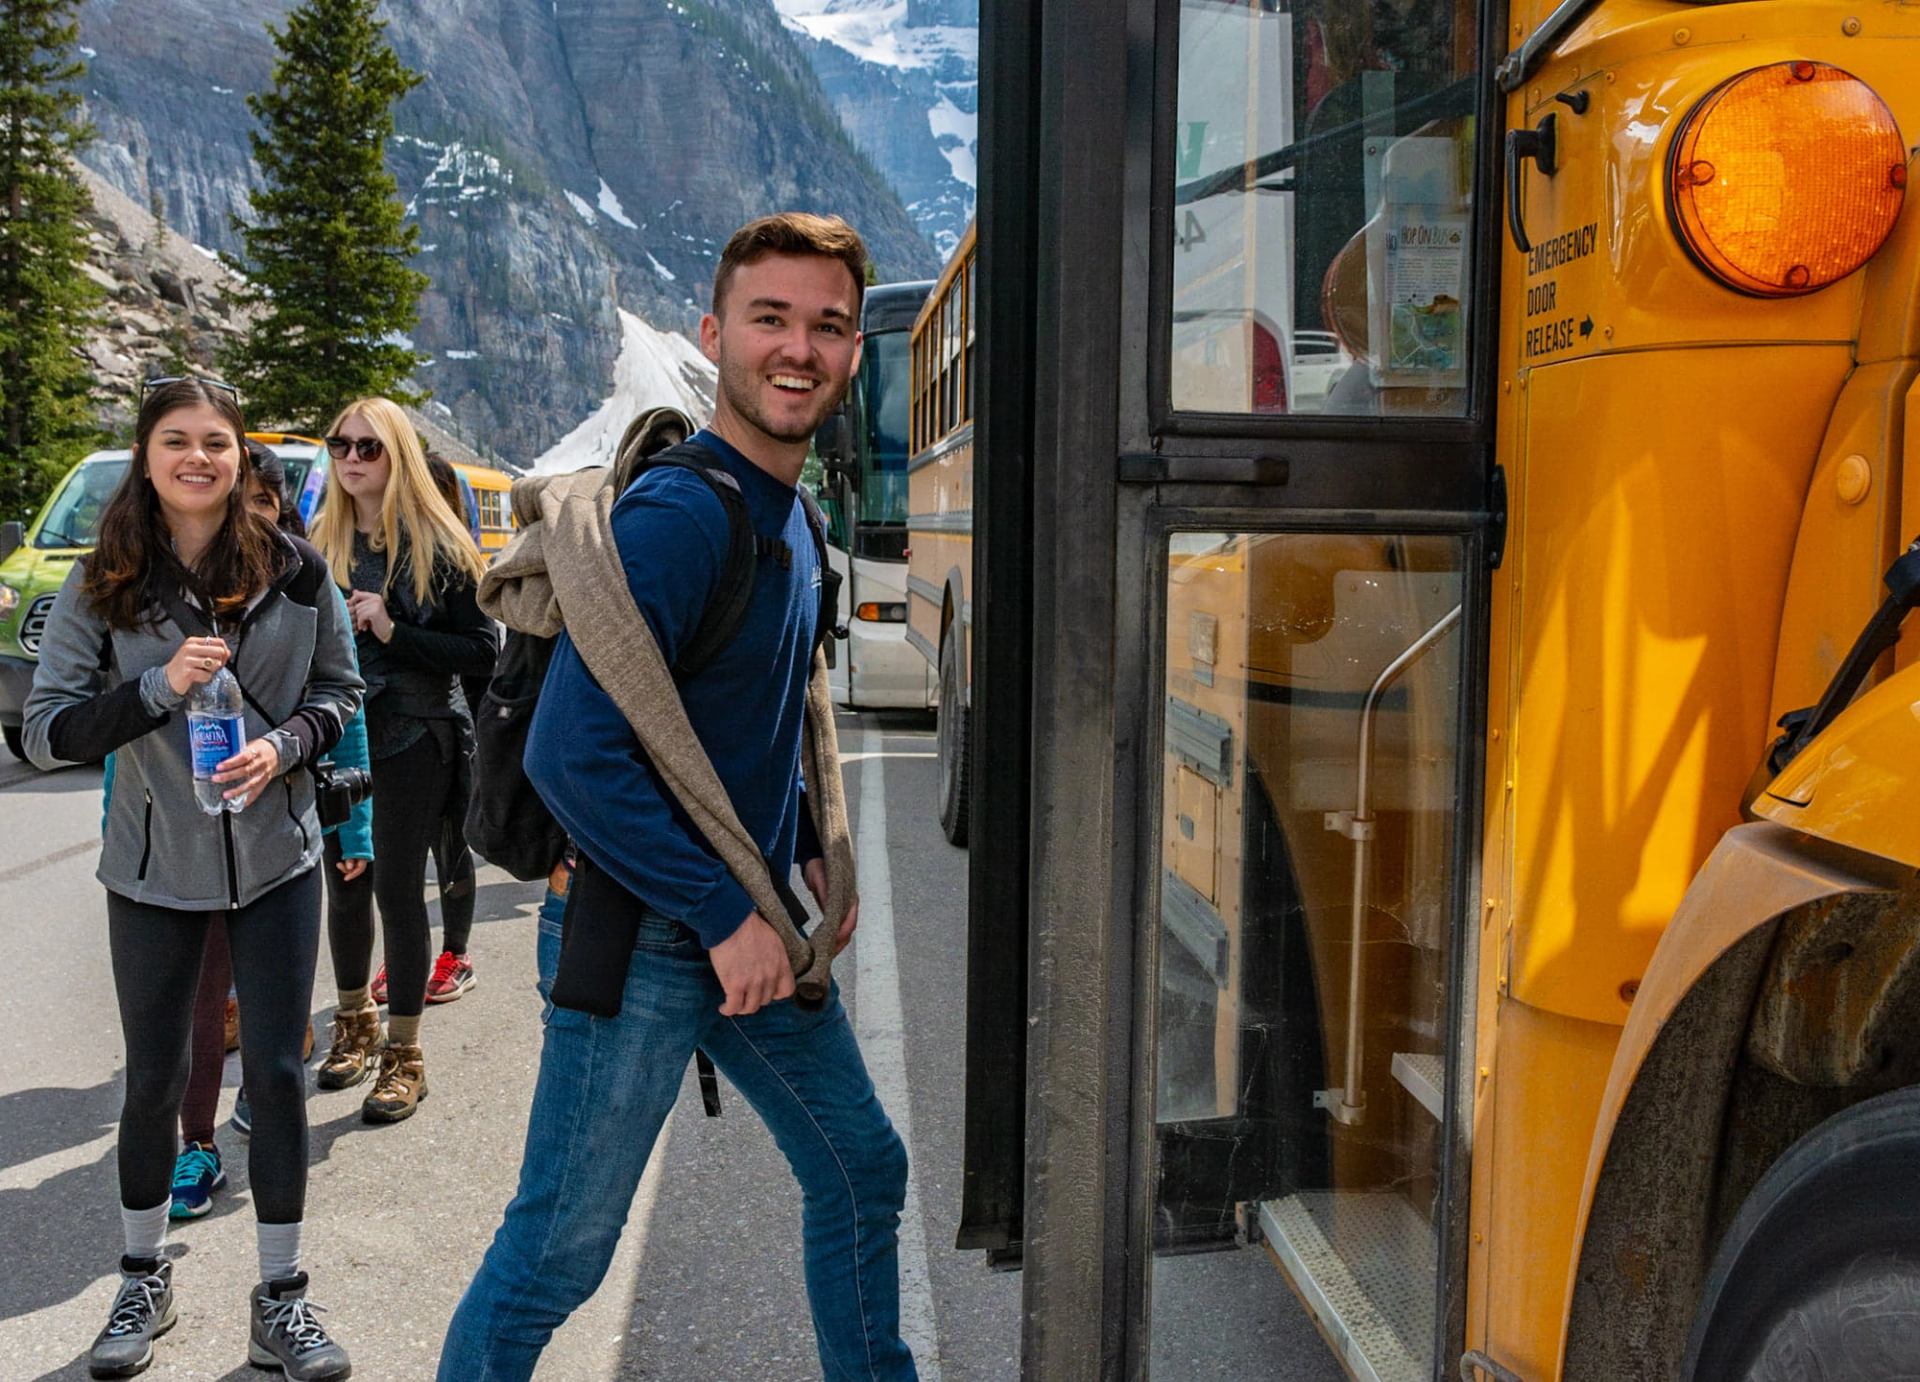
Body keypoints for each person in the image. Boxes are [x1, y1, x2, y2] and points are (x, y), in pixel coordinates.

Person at [439, 214, 913, 1381]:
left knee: (862, 1167)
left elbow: (747, 720)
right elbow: (575, 752)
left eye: (827, 325)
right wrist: (721, 910)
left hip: (740, 917)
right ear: (715, 335)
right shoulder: (688, 514)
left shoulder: (792, 518)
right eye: (771, 319)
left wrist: (805, 851)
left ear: (852, 351)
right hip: (651, 931)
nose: (798, 348)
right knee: (557, 1252)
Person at [24, 377, 361, 1380]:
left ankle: (282, 1298)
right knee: (157, 1078)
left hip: (276, 862)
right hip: (151, 868)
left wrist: (287, 746)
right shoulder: (105, 580)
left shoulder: (299, 572)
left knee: (279, 1076)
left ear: (237, 452)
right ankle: (141, 1275)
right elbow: (46, 732)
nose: (198, 458)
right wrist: (153, 689)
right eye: (176, 441)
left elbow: (342, 692)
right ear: (147, 455)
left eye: (217, 441)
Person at [155, 443, 361, 1217]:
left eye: (264, 507)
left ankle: (270, 1162)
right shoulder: (153, 581)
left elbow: (346, 700)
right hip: (184, 840)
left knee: (272, 1027)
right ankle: (196, 1143)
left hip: (278, 837)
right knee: (202, 1002)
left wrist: (347, 816)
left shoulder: (303, 580)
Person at [308, 399, 495, 1121]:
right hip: (336, 737)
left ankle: (405, 1053)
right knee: (346, 883)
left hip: (416, 734)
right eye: (341, 445)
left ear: (398, 457)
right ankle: (353, 1023)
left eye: (369, 447)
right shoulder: (314, 544)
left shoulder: (438, 545)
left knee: (394, 891)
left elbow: (482, 652)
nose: (352, 458)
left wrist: (389, 627)